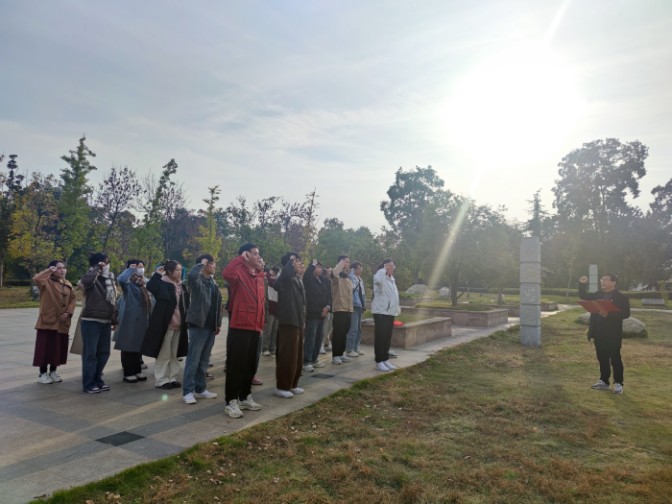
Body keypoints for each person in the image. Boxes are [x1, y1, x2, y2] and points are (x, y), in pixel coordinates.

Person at [222, 244, 266, 418]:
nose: (258, 257)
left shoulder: (259, 276)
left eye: (258, 253)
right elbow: (227, 273)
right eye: (254, 254)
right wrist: (241, 258)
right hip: (240, 326)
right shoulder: (238, 273)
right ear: (246, 255)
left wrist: (261, 325)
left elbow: (261, 303)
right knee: (237, 365)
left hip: (255, 327)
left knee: (250, 365)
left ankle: (245, 396)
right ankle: (231, 401)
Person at [579, 273, 631, 394]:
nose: (602, 281)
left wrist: (609, 315)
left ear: (614, 282)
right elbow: (584, 296)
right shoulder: (599, 294)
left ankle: (618, 383)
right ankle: (604, 381)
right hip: (598, 331)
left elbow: (626, 314)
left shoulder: (621, 297)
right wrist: (582, 284)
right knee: (602, 357)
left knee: (615, 358)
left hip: (612, 333)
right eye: (602, 279)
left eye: (606, 280)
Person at [142, 260, 190, 390]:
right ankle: (161, 380)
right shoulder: (162, 283)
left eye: (180, 270)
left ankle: (172, 377)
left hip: (179, 325)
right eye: (176, 270)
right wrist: (157, 274)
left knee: (175, 354)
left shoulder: (181, 286)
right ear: (169, 271)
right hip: (166, 325)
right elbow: (150, 286)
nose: (179, 272)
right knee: (164, 353)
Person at [182, 254, 222, 404]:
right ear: (205, 265)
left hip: (210, 326)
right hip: (198, 325)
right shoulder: (197, 281)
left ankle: (200, 388)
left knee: (204, 361)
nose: (215, 266)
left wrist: (218, 323)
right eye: (212, 263)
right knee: (193, 360)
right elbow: (191, 276)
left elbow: (217, 305)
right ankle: (188, 391)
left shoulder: (212, 282)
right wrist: (201, 264)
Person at [79, 253, 119, 393]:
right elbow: (86, 282)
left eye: (107, 263)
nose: (107, 265)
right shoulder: (91, 276)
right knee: (91, 354)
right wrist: (96, 269)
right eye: (104, 263)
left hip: (106, 321)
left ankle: (98, 379)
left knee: (104, 353)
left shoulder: (110, 278)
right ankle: (89, 383)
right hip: (91, 321)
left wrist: (114, 319)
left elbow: (113, 301)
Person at [32, 260, 77, 384]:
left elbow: (73, 300)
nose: (62, 270)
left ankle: (53, 371)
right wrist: (49, 270)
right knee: (44, 348)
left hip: (62, 322)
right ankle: (42, 373)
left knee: (57, 349)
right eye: (58, 268)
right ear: (52, 269)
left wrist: (68, 313)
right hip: (48, 322)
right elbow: (36, 279)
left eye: (63, 268)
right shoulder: (45, 282)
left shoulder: (68, 284)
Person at [273, 252, 306, 398]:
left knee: (297, 356)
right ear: (288, 264)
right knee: (287, 355)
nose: (299, 263)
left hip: (298, 320)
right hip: (288, 320)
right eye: (295, 261)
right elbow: (277, 284)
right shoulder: (284, 278)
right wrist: (289, 265)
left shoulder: (297, 279)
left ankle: (293, 384)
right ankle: (282, 386)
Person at [114, 260, 151, 383]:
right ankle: (128, 372)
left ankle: (137, 370)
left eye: (142, 267)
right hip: (130, 320)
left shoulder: (143, 284)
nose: (140, 269)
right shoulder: (128, 284)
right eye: (138, 267)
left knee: (137, 347)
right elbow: (121, 279)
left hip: (141, 320)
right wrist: (130, 269)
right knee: (128, 348)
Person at [372, 258, 400, 372]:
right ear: (386, 266)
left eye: (394, 266)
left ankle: (385, 359)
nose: (393, 268)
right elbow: (379, 279)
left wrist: (396, 309)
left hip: (390, 312)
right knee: (380, 337)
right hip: (381, 312)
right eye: (391, 266)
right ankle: (379, 362)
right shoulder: (380, 276)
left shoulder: (391, 279)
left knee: (387, 338)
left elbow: (394, 296)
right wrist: (383, 269)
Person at [302, 260, 330, 372]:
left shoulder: (324, 280)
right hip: (313, 313)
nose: (319, 269)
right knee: (311, 337)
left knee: (319, 337)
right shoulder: (309, 279)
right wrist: (312, 264)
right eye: (317, 267)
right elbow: (307, 275)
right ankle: (306, 361)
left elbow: (329, 295)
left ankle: (314, 358)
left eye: (320, 267)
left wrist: (327, 307)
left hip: (323, 313)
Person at [330, 256, 353, 365]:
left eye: (348, 262)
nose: (348, 264)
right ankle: (335, 355)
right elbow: (335, 272)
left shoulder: (348, 279)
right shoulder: (336, 277)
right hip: (339, 309)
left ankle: (341, 353)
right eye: (346, 262)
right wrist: (341, 263)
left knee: (344, 332)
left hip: (348, 310)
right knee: (338, 333)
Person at [345, 261, 366, 357]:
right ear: (353, 269)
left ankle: (356, 348)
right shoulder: (351, 278)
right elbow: (352, 289)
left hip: (360, 306)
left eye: (361, 269)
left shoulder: (360, 279)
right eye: (358, 268)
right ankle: (349, 350)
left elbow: (363, 294)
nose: (360, 270)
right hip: (353, 305)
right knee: (353, 328)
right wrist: (352, 272)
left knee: (359, 329)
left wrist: (364, 305)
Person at [261, 266, 280, 356]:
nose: (276, 273)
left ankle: (272, 348)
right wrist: (270, 273)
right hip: (269, 307)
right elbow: (266, 276)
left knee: (275, 330)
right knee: (268, 330)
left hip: (277, 308)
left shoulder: (278, 281)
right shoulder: (267, 280)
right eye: (275, 271)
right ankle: (265, 348)